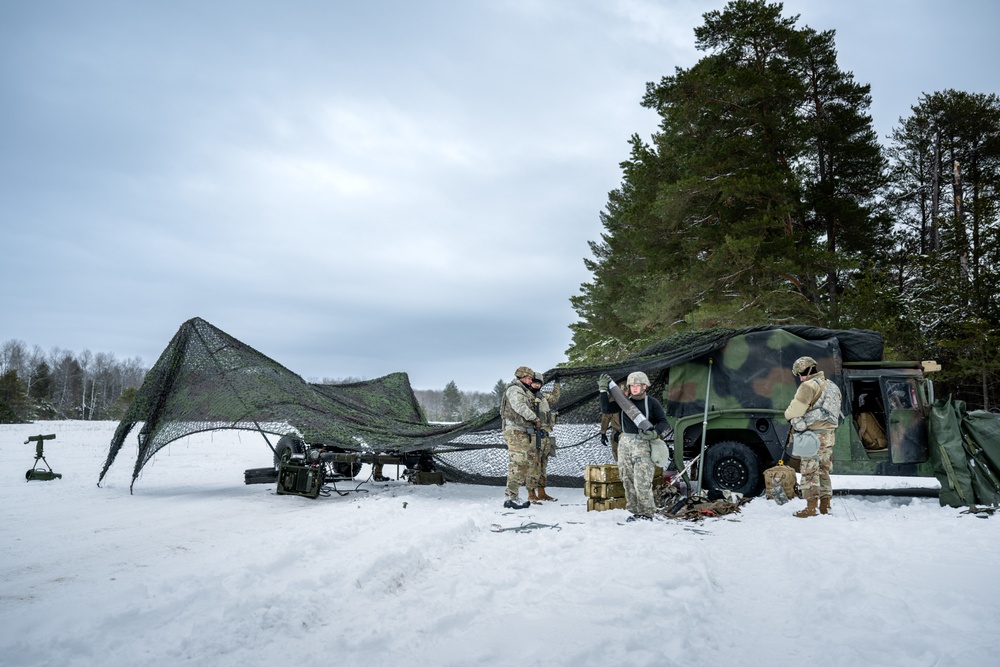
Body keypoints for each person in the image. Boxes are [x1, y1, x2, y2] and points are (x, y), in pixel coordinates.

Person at [598, 370, 669, 522]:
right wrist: (603, 391)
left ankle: (647, 512)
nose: (634, 388)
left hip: (643, 444)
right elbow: (605, 409)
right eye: (632, 385)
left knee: (642, 480)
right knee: (627, 478)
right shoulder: (623, 403)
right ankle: (636, 511)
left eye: (638, 385)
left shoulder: (651, 403)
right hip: (625, 443)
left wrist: (655, 433)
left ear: (645, 386)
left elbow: (664, 421)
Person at [784, 356, 842, 517]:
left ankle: (810, 508)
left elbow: (793, 411)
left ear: (806, 371)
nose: (800, 377)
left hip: (813, 435)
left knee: (809, 470)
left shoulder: (808, 386)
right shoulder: (832, 386)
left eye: (800, 373)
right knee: (823, 470)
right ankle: (825, 505)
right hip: (828, 435)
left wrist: (795, 419)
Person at [499, 366, 543, 510]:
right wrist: (534, 418)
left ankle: (513, 495)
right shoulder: (515, 389)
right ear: (522, 377)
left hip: (522, 431)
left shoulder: (524, 390)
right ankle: (510, 497)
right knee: (518, 462)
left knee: (524, 463)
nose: (531, 381)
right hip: (515, 431)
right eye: (529, 378)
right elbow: (519, 407)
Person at [528, 371, 561, 502]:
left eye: (539, 383)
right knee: (533, 465)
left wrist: (557, 384)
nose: (536, 385)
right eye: (534, 383)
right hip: (534, 436)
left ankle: (541, 492)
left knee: (543, 464)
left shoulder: (542, 396)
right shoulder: (526, 397)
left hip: (546, 436)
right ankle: (531, 493)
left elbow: (554, 398)